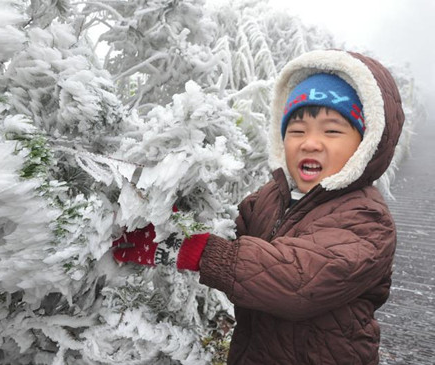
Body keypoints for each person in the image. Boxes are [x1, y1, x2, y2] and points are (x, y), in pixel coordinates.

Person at [112, 49, 405, 364]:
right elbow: (235, 246)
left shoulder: (367, 220)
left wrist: (191, 250)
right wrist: (173, 221)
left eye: (332, 131)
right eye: (296, 131)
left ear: (365, 145)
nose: (309, 143)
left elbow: (298, 282)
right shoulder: (270, 198)